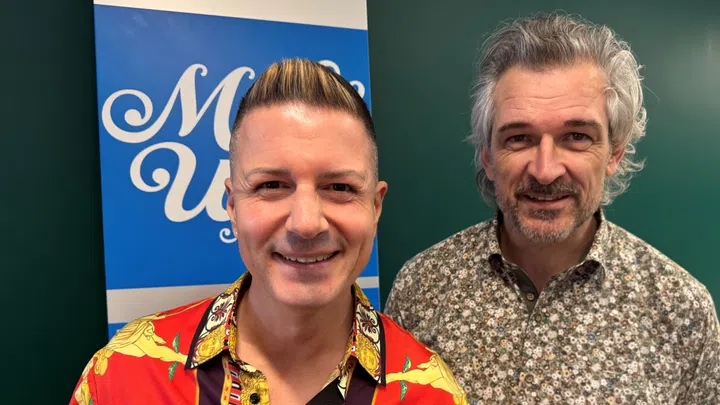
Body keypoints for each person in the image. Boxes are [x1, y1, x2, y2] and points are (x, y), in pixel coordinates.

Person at [70, 59, 467, 405]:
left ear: (375, 206)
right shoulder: (125, 372)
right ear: (232, 205)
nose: (306, 224)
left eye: (340, 187)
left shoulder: (431, 393)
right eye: (271, 185)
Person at [385, 13, 720, 404]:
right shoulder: (421, 289)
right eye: (519, 138)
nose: (545, 171)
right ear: (488, 156)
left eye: (576, 136)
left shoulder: (681, 310)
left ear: (614, 153)